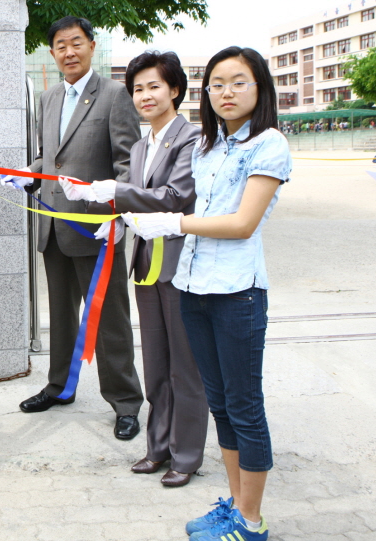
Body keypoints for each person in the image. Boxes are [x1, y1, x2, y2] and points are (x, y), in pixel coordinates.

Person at [123, 46, 292, 541]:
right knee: (220, 405)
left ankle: (252, 522)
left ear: (259, 87)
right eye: (217, 83)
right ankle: (236, 506)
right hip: (192, 287)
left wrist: (170, 221)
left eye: (239, 82)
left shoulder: (269, 144)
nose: (226, 92)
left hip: (237, 293)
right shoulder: (207, 148)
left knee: (245, 407)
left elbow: (241, 223)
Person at [62, 50, 208, 487]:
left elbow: (174, 196)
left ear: (175, 90)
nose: (145, 96)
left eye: (154, 86)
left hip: (179, 266)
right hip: (146, 264)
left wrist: (116, 192)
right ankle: (157, 447)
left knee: (186, 366)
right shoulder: (143, 144)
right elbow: (134, 200)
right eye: (138, 88)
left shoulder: (191, 139)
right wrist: (98, 197)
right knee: (157, 363)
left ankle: (187, 455)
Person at [1, 16, 144, 440]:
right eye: (60, 45)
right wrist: (30, 172)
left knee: (109, 320)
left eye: (76, 43)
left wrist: (117, 219)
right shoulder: (48, 98)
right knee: (60, 316)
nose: (69, 52)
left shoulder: (116, 95)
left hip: (96, 231)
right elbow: (52, 157)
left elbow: (126, 167)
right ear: (52, 52)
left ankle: (125, 402)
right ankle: (60, 387)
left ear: (91, 46)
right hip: (53, 226)